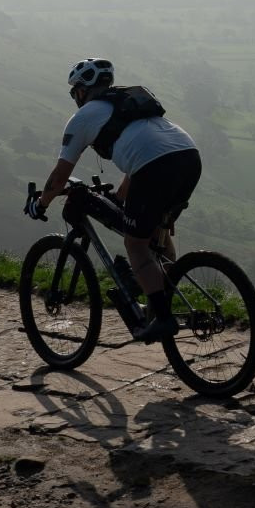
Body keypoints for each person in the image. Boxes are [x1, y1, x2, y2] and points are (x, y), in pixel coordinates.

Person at [34, 58, 202, 342]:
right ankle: (161, 302)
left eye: (74, 91)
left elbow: (60, 177)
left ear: (82, 91)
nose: (75, 97)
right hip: (188, 156)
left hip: (155, 166)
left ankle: (163, 318)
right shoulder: (127, 103)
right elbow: (139, 160)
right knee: (157, 237)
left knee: (135, 245)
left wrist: (40, 203)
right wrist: (119, 197)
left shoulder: (83, 117)